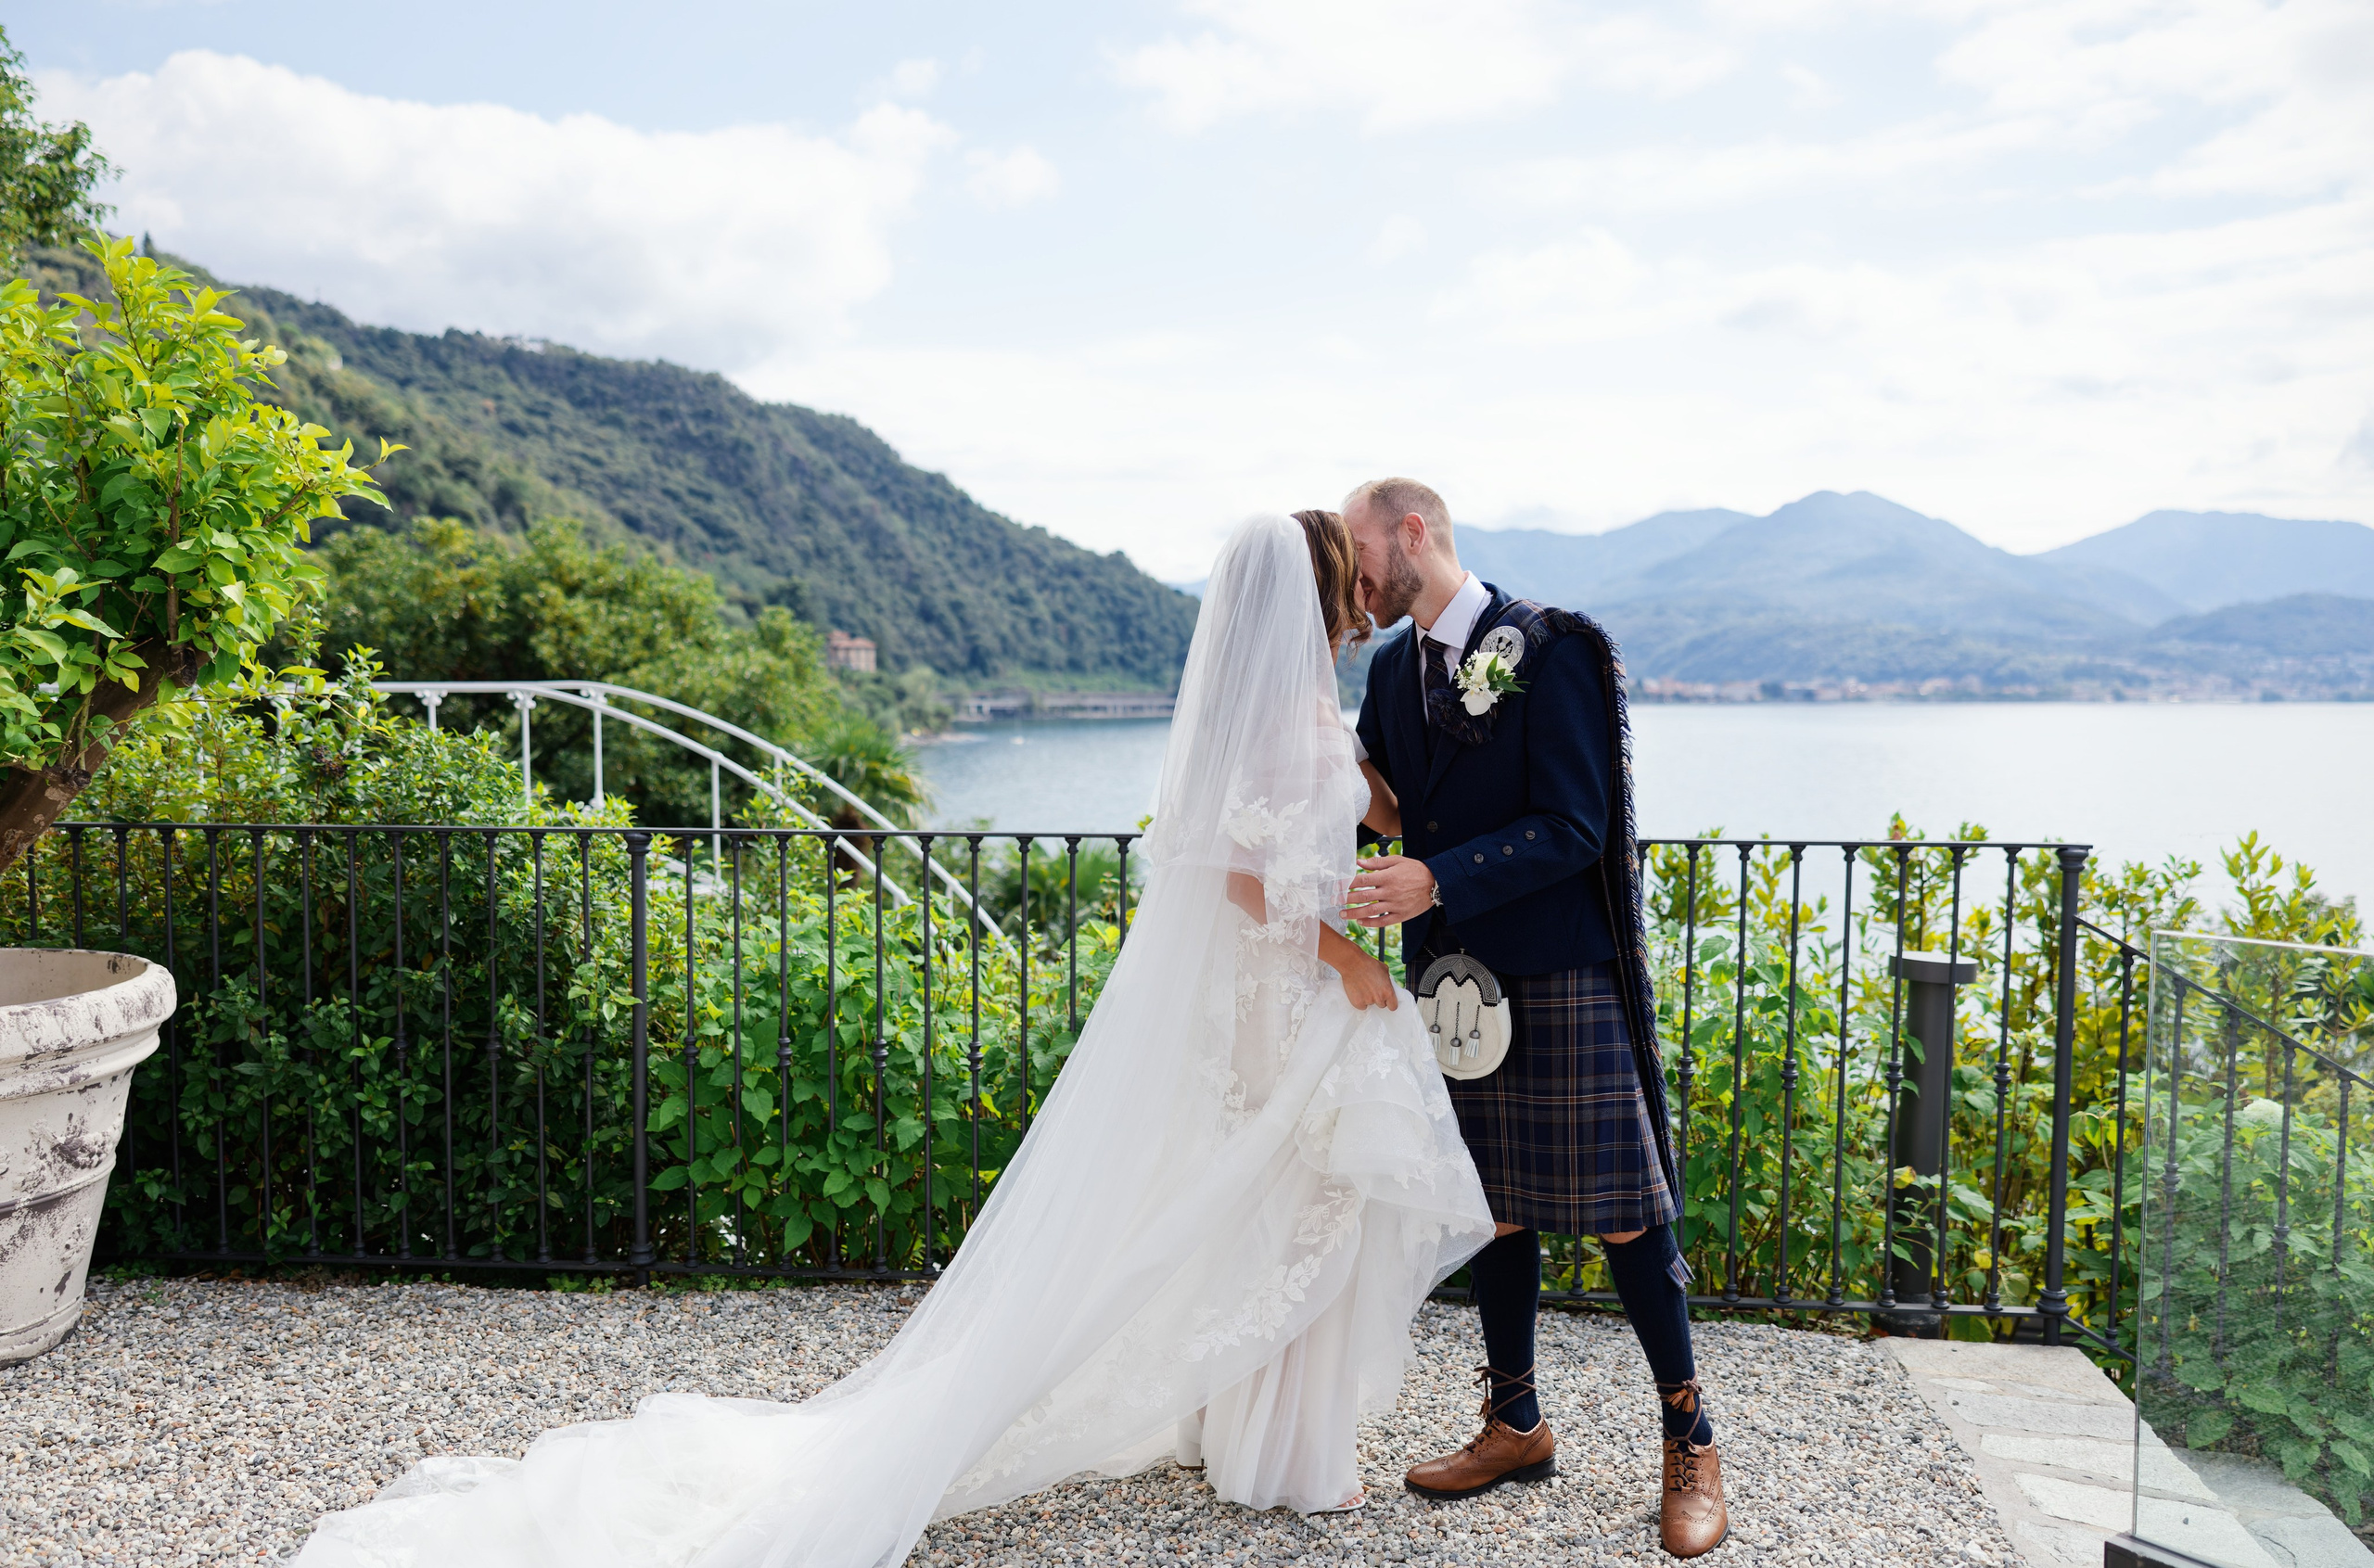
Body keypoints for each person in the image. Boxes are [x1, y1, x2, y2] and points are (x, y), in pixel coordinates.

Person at [290, 512, 1493, 1567]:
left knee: (1282, 1216)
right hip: (1290, 991)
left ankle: (1255, 1437)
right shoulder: (1284, 713)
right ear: (1318, 591)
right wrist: (1339, 951)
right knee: (1303, 1218)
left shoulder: (1293, 711)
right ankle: (1283, 1455)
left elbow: (1325, 812)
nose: (1360, 606)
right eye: (1348, 586)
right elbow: (1233, 866)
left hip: (1281, 994)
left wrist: (1390, 798)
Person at [1342, 477, 1730, 1558]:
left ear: (1412, 531)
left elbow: (1575, 823)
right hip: (1451, 982)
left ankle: (1690, 1435)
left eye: (1364, 552)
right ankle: (1514, 1421)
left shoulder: (1553, 647)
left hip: (1558, 971)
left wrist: (1438, 878)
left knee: (1624, 1214)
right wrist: (1325, 765)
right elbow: (1394, 805)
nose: (1358, 577)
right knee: (1494, 1209)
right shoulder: (1386, 667)